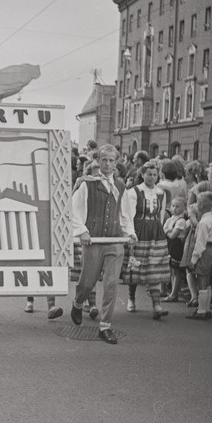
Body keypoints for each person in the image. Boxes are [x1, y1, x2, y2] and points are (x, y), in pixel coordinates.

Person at [70, 144, 137, 344]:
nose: (107, 164)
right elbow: (74, 210)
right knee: (87, 282)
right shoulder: (87, 184)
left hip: (114, 241)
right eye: (104, 160)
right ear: (98, 161)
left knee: (111, 284)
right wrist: (82, 231)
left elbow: (125, 214)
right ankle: (78, 302)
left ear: (116, 163)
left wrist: (130, 233)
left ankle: (105, 326)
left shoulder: (121, 186)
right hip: (94, 241)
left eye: (111, 160)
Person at [121, 161, 170, 319]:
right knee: (135, 265)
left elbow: (161, 214)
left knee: (154, 266)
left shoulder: (161, 193)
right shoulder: (134, 192)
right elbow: (129, 214)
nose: (152, 177)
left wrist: (159, 229)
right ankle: (131, 298)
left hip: (155, 232)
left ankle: (156, 305)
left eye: (155, 175)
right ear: (142, 174)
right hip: (139, 230)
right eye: (149, 174)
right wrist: (130, 233)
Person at [186, 191, 212, 320]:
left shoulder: (203, 222)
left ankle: (201, 311)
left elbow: (200, 243)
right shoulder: (211, 218)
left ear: (201, 205)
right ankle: (207, 309)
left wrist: (193, 260)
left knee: (202, 281)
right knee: (207, 280)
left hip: (204, 252)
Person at [163, 196, 189, 302]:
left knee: (176, 271)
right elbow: (164, 231)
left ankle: (174, 293)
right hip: (170, 245)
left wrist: (168, 230)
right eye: (173, 206)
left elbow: (173, 235)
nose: (174, 208)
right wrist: (169, 230)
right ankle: (172, 292)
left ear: (183, 208)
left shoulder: (181, 221)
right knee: (171, 270)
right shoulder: (170, 219)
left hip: (176, 246)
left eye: (177, 206)